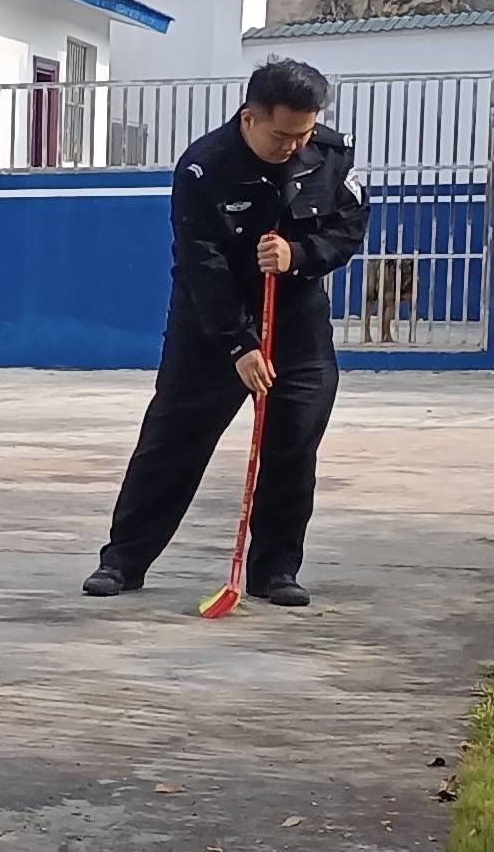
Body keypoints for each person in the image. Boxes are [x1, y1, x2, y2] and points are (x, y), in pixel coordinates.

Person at [84, 57, 369, 607]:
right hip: (210, 324)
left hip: (296, 321)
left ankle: (275, 570)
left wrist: (299, 254)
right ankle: (122, 560)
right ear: (250, 118)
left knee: (293, 445)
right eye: (283, 135)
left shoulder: (331, 155)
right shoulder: (204, 169)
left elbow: (348, 227)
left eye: (304, 133)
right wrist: (239, 344)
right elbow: (201, 263)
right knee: (173, 441)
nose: (294, 145)